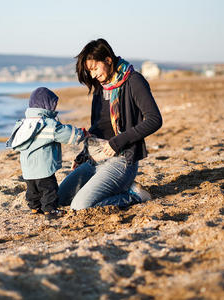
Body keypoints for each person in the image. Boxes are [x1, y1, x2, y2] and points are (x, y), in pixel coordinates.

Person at [58, 38, 162, 210]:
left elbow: (154, 120)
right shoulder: (101, 87)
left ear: (108, 60)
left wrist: (117, 142)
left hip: (121, 160)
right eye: (89, 71)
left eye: (94, 69)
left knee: (80, 206)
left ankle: (134, 195)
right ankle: (115, 187)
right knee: (59, 199)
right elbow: (99, 127)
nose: (93, 75)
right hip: (96, 158)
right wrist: (84, 154)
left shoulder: (134, 81)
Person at [6, 87, 87, 219]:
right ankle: (50, 211)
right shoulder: (46, 124)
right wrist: (80, 133)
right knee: (49, 189)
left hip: (28, 169)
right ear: (46, 106)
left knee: (32, 191)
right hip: (43, 167)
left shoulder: (24, 123)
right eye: (53, 106)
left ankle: (35, 208)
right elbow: (64, 133)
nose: (54, 109)